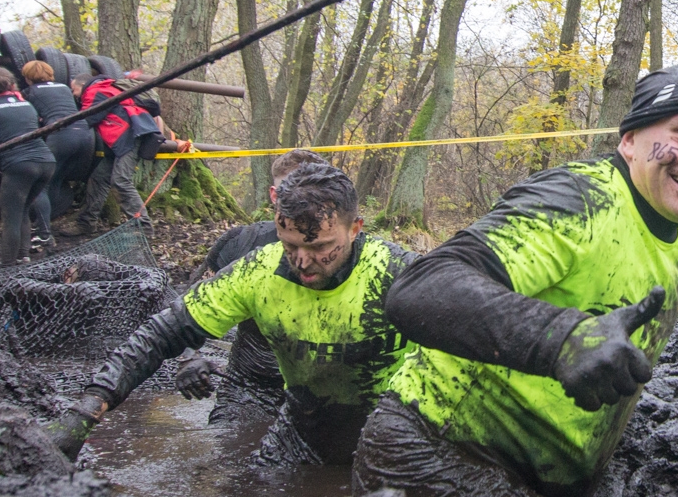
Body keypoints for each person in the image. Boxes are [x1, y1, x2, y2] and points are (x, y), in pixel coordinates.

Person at [352, 65, 678, 497]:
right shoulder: (579, 199)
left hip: (543, 482)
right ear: (630, 141)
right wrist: (564, 338)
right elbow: (422, 287)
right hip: (439, 456)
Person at [47, 164, 414, 466]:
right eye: (290, 246)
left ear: (355, 229)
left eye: (319, 247)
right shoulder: (257, 270)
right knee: (242, 484)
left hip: (390, 431)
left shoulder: (399, 273)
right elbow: (163, 332)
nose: (303, 261)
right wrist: (85, 411)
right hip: (303, 429)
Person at [178, 148, 331, 425]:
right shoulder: (240, 243)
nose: (304, 203)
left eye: (313, 192)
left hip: (325, 390)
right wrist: (190, 357)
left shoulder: (352, 250)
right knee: (229, 448)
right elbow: (190, 308)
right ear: (274, 195)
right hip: (250, 385)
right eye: (293, 192)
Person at [62, 74, 188, 235]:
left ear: (83, 85)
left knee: (121, 180)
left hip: (128, 136)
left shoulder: (95, 92)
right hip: (119, 138)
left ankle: (143, 227)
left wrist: (60, 123)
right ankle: (86, 222)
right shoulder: (109, 87)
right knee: (99, 178)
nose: (74, 94)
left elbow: (86, 119)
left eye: (74, 90)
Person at [19, 60, 90, 247]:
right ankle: (43, 225)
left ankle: (44, 234)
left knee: (40, 184)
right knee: (56, 179)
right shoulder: (65, 88)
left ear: (27, 77)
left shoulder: (30, 92)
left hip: (62, 135)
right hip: (86, 134)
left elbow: (28, 118)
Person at [0, 68, 56, 266]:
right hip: (46, 162)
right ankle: (24, 258)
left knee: (10, 217)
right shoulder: (26, 104)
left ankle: (7, 267)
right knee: (22, 210)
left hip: (20, 166)